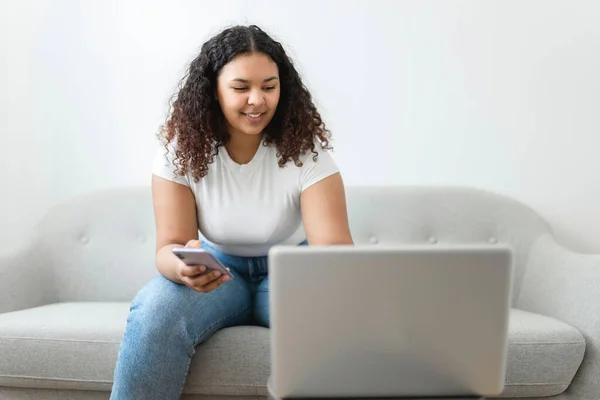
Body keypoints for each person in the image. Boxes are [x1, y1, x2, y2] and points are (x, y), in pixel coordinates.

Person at [109, 24, 353, 400]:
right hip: (219, 272)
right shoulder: (180, 152)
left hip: (292, 269)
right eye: (241, 88)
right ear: (214, 90)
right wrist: (183, 268)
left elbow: (333, 251)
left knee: (335, 312)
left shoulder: (307, 151)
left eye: (269, 87)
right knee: (155, 311)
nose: (257, 100)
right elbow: (169, 246)